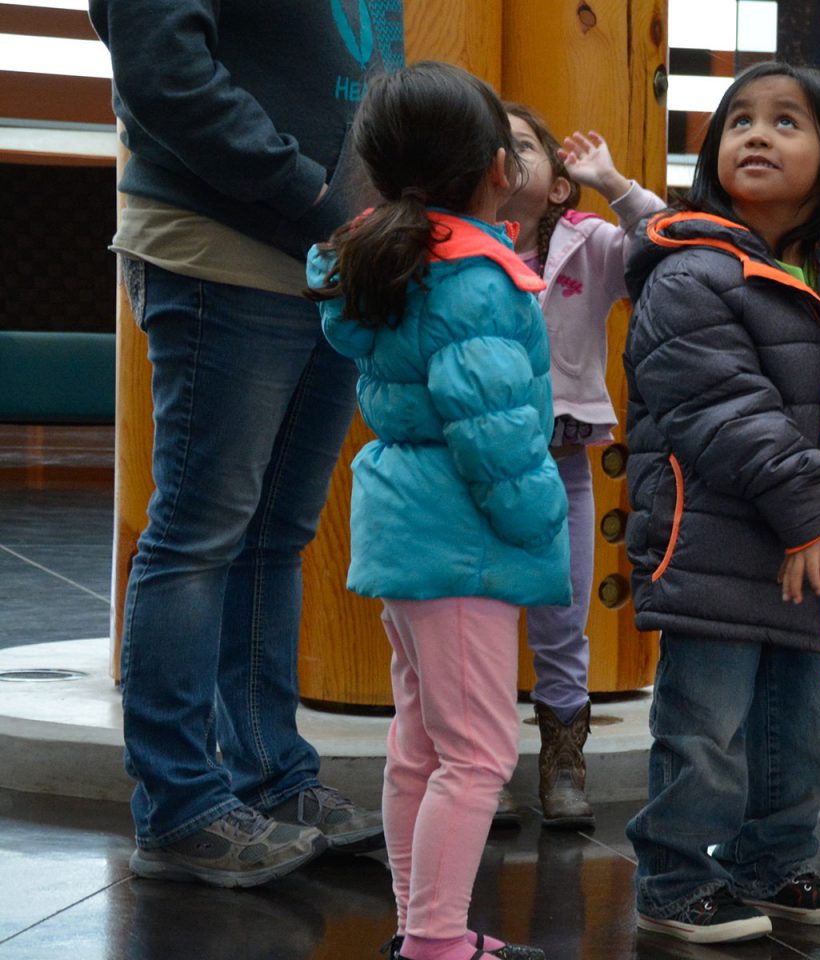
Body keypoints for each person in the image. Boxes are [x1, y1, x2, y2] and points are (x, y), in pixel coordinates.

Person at [94, 0, 399, 886]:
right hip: (223, 250)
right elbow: (163, 75)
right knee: (199, 534)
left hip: (333, 262)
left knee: (275, 538)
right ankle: (179, 801)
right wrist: (309, 190)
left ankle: (271, 777)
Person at [619, 62, 820, 944]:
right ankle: (674, 878)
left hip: (819, 545)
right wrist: (812, 511)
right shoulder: (690, 269)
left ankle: (780, 860)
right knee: (705, 727)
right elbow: (721, 409)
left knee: (807, 727)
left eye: (786, 121)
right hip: (719, 544)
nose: (757, 133)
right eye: (740, 120)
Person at [307, 62, 566, 960]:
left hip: (409, 523)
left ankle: (425, 927)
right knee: (480, 754)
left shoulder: (390, 256)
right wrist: (540, 520)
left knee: (421, 742)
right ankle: (436, 943)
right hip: (465, 540)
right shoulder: (474, 276)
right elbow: (493, 430)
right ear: (500, 167)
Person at [490, 104, 669, 829]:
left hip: (560, 460)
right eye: (490, 145)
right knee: (482, 619)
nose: (504, 154)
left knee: (561, 618)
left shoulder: (587, 243)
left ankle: (563, 761)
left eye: (522, 145)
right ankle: (487, 763)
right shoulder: (460, 244)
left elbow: (663, 242)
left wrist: (613, 184)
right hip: (478, 466)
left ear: (559, 186)